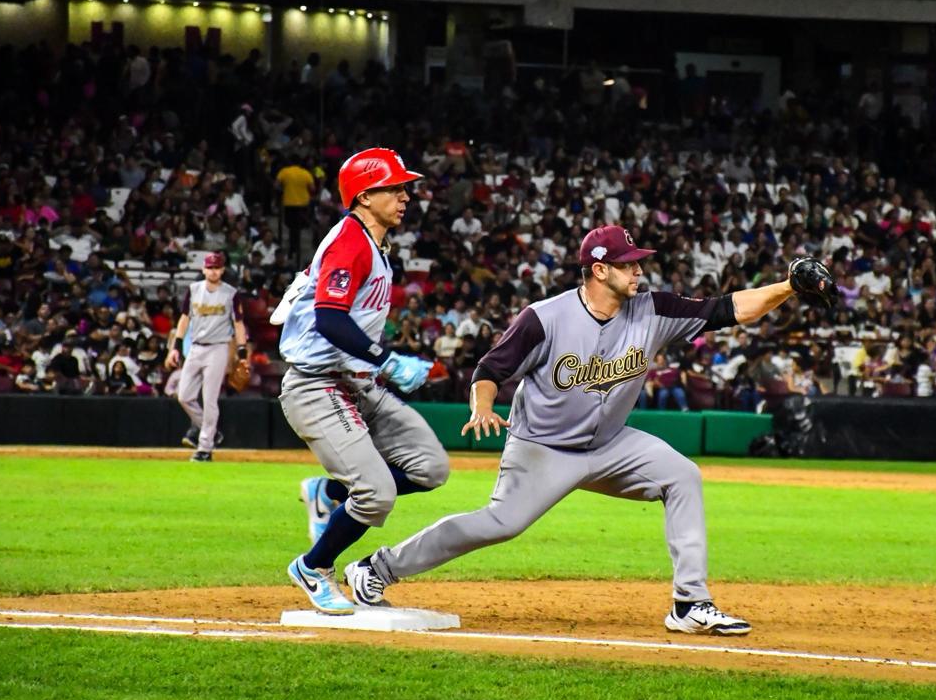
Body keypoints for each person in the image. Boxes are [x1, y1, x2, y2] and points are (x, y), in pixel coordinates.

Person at [342, 226, 837, 636]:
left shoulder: (652, 309)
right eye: (628, 265)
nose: (638, 271)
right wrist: (483, 405)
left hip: (611, 444)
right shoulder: (543, 318)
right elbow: (490, 370)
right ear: (599, 270)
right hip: (543, 449)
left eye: (637, 264)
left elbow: (727, 309)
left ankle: (690, 604)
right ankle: (377, 568)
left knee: (682, 476)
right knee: (500, 524)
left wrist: (788, 286)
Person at [278, 148, 450, 616]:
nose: (405, 196)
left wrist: (381, 363)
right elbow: (330, 319)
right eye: (395, 188)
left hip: (358, 383)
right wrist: (388, 360)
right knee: (376, 494)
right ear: (365, 195)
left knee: (430, 468)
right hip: (317, 384)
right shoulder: (350, 242)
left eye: (405, 188)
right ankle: (313, 567)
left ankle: (329, 493)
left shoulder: (373, 243)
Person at [165, 252, 248, 462]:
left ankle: (204, 448)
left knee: (209, 399)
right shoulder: (193, 290)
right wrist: (176, 346)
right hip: (195, 347)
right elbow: (184, 319)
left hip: (218, 348)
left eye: (216, 268)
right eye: (210, 268)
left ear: (222, 270)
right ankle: (210, 432)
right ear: (203, 269)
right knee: (184, 396)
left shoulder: (230, 293)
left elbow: (238, 324)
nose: (213, 271)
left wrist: (242, 351)